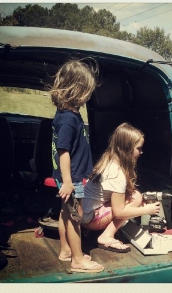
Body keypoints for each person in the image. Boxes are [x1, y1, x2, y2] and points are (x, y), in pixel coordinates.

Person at [50, 58, 104, 273]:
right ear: (77, 89)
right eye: (87, 90)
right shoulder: (68, 120)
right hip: (70, 178)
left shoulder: (68, 114)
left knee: (65, 212)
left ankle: (66, 251)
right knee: (75, 216)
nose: (89, 95)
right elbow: (63, 152)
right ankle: (78, 260)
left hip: (68, 177)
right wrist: (69, 182)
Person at [82, 122, 161, 253]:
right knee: (136, 198)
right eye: (139, 148)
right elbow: (119, 213)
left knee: (134, 195)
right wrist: (147, 210)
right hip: (90, 219)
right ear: (127, 149)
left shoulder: (108, 159)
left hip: (84, 213)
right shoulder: (117, 174)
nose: (142, 152)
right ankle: (106, 236)